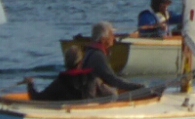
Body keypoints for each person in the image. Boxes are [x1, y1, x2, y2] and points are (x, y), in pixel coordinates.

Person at [29, 24, 157, 103]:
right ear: (104, 39)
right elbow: (112, 81)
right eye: (112, 35)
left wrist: (30, 85)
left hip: (77, 98)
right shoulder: (97, 57)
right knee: (113, 93)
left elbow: (38, 98)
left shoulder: (61, 80)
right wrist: (138, 87)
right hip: (89, 101)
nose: (114, 38)